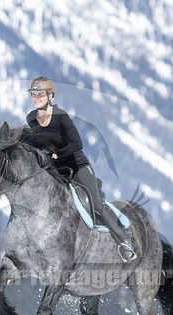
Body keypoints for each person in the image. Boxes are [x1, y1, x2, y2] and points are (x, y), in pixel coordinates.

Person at [22, 76, 136, 262]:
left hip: (77, 165)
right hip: (55, 170)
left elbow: (77, 143)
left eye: (40, 95)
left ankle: (125, 241)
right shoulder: (31, 119)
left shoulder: (61, 116)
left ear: (50, 96)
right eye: (33, 95)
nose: (35, 98)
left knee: (96, 204)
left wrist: (59, 154)